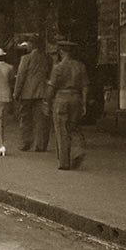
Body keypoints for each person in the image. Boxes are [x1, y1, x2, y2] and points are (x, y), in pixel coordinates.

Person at [46, 40, 88, 170]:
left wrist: (47, 101)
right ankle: (79, 148)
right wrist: (84, 103)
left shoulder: (58, 67)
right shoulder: (80, 66)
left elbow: (51, 87)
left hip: (61, 99)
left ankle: (64, 162)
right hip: (76, 98)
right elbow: (85, 86)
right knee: (74, 127)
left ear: (61, 51)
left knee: (61, 130)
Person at [13, 38, 51, 152]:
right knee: (41, 119)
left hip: (27, 93)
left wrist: (16, 92)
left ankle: (26, 143)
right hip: (42, 92)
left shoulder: (26, 58)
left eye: (28, 44)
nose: (27, 46)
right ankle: (41, 145)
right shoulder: (46, 58)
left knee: (26, 119)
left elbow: (21, 76)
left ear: (32, 45)